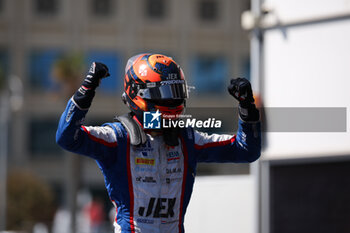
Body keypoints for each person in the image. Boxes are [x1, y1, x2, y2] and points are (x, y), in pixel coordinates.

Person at [56, 53, 261, 233]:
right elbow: (67, 138)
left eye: (175, 94)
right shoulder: (117, 137)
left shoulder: (187, 139)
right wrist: (86, 90)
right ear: (138, 94)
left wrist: (247, 107)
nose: (171, 102)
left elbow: (245, 151)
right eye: (164, 95)